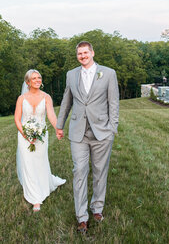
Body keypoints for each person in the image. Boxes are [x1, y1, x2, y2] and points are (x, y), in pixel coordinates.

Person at [56, 41, 119, 233]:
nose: (82, 56)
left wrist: (112, 129)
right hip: (78, 132)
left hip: (102, 132)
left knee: (100, 172)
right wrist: (60, 125)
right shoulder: (71, 75)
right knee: (79, 171)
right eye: (79, 54)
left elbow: (113, 102)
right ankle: (82, 217)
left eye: (85, 52)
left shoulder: (108, 73)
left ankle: (97, 208)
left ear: (92, 52)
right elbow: (66, 101)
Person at [14, 69, 66, 212]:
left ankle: (45, 184)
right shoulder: (22, 98)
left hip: (42, 135)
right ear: (28, 82)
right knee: (29, 164)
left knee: (41, 162)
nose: (38, 80)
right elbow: (17, 119)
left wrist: (58, 128)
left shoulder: (46, 97)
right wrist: (25, 135)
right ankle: (35, 198)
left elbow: (51, 116)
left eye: (39, 78)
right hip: (25, 136)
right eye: (34, 78)